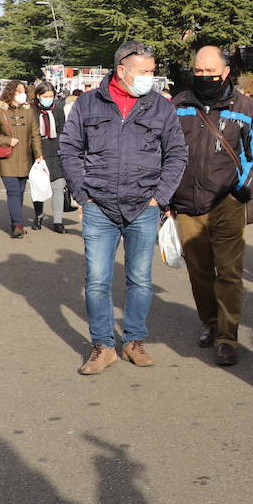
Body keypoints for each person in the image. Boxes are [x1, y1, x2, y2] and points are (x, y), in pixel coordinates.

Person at [60, 40, 188, 375]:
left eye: (152, 71)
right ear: (121, 70)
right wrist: (82, 192)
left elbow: (177, 153)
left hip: (143, 207)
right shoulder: (88, 104)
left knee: (140, 280)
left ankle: (134, 341)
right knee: (97, 280)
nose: (151, 77)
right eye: (144, 72)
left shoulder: (161, 107)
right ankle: (103, 345)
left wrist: (160, 196)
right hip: (99, 206)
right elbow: (69, 147)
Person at [169, 46, 253, 366]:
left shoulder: (244, 108)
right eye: (197, 71)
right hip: (187, 205)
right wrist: (169, 196)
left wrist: (241, 194)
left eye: (209, 71)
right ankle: (210, 324)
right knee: (199, 273)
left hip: (227, 203)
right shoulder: (179, 105)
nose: (203, 77)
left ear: (225, 71)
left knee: (228, 272)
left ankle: (227, 336)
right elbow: (165, 151)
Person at [0, 80, 44, 239]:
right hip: (7, 159)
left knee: (20, 191)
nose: (22, 94)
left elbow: (35, 135)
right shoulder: (0, 111)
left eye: (23, 90)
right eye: (18, 91)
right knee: (13, 192)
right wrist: (7, 141)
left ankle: (15, 221)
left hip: (25, 158)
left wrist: (38, 155)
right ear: (11, 92)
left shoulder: (29, 111)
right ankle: (18, 224)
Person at [30, 81, 68, 233]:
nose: (49, 98)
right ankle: (38, 216)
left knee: (58, 186)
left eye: (51, 96)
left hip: (56, 151)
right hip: (38, 152)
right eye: (45, 96)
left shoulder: (58, 108)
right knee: (39, 187)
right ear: (38, 96)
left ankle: (57, 221)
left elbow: (63, 129)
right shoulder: (31, 110)